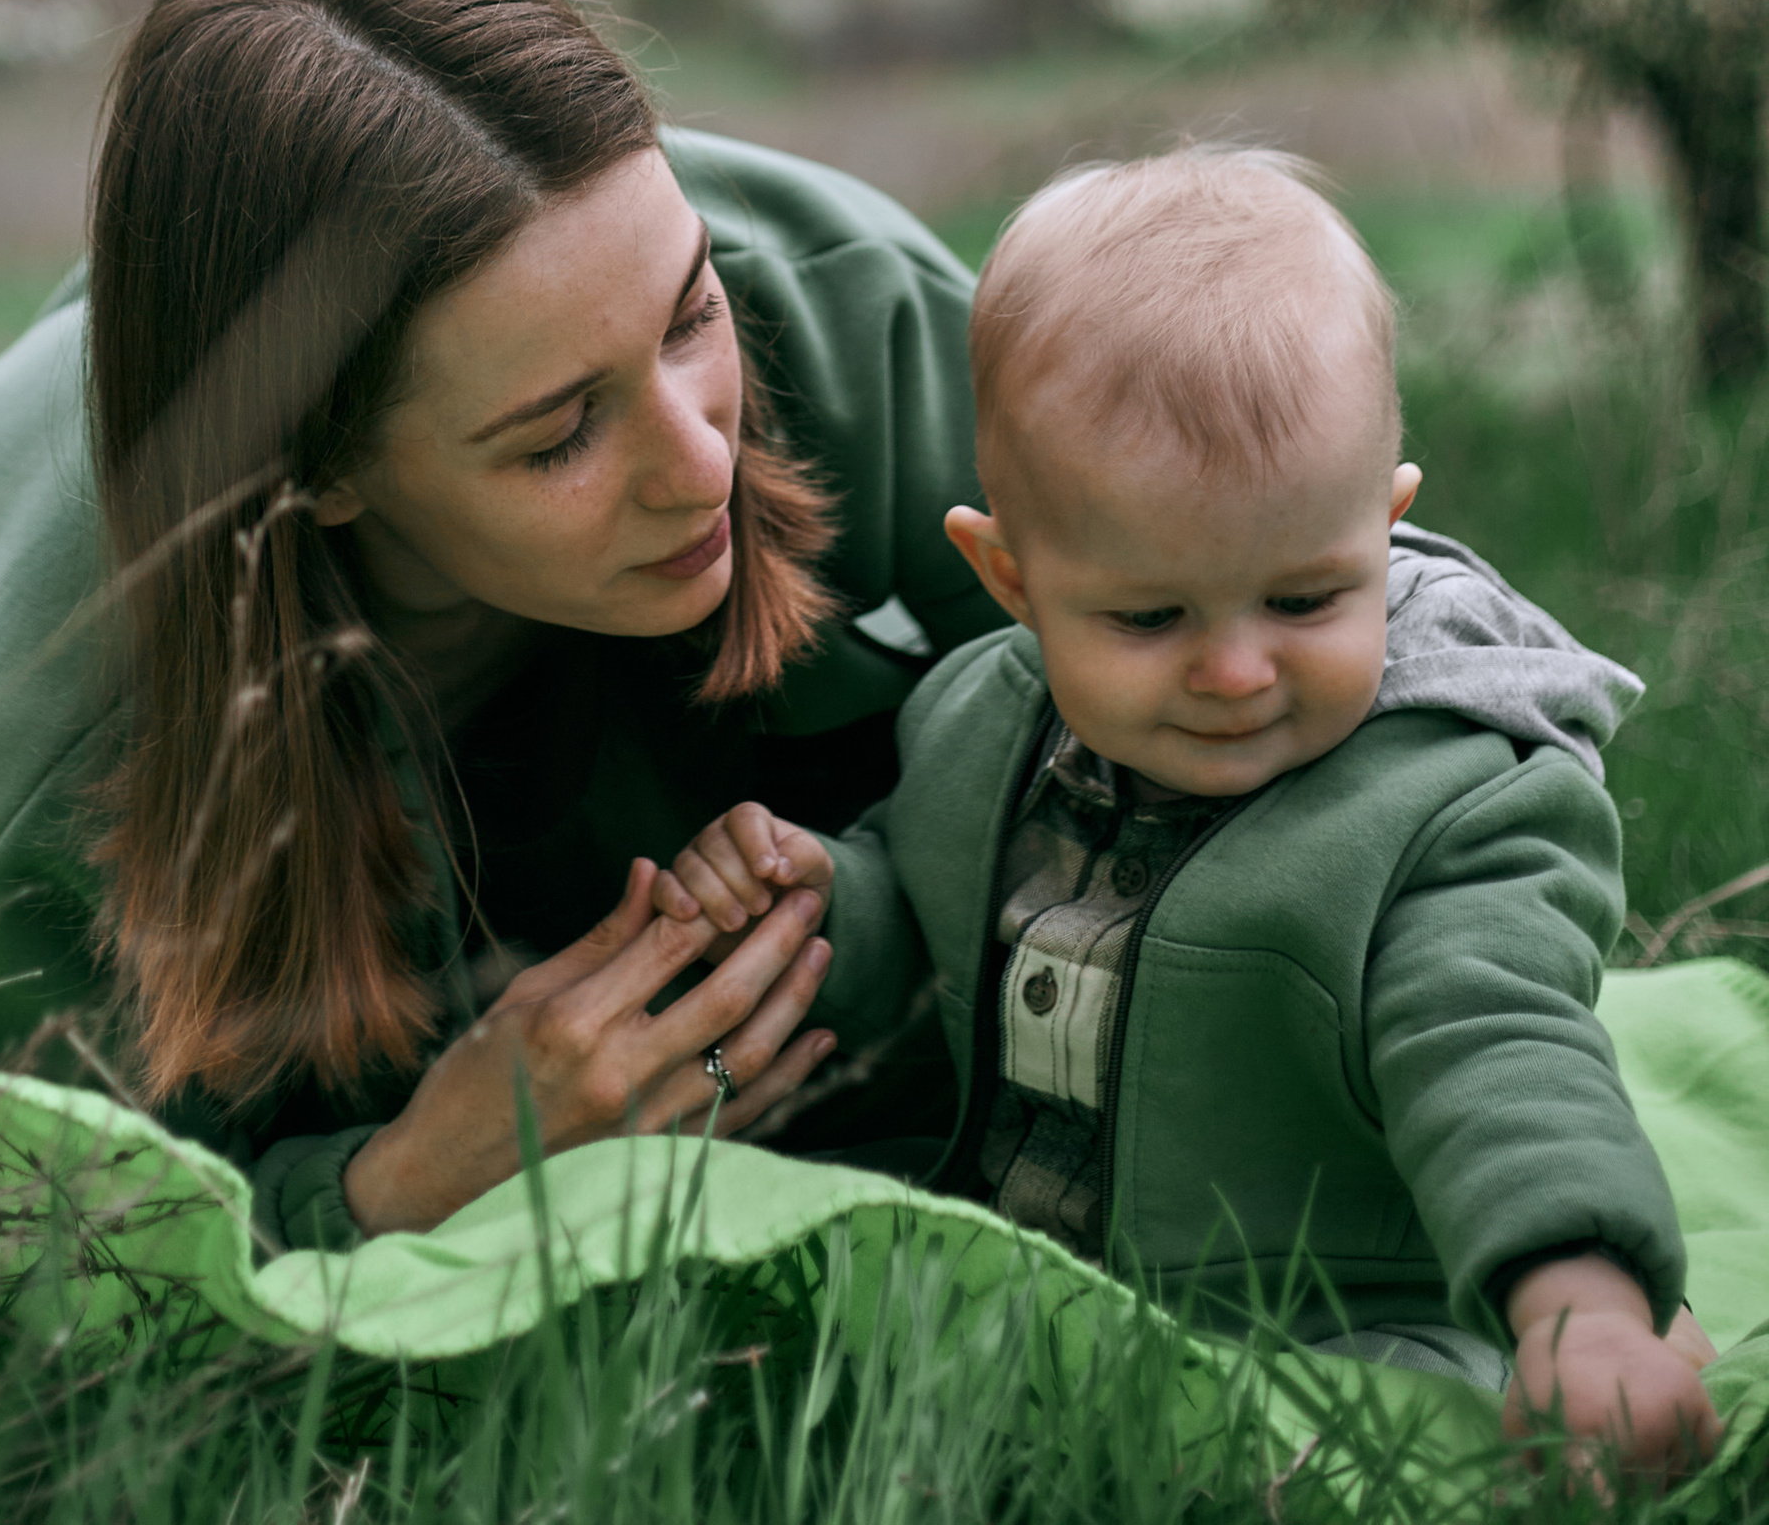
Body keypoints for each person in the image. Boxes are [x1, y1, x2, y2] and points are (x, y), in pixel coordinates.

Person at [0, 0, 1630, 1260]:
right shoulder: (74, 708)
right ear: (328, 473)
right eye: (558, 436)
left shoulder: (825, 308)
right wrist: (388, 1190)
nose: (702, 455)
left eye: (687, 315)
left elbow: (1295, 619)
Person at [667, 148, 1721, 1478]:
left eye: (1304, 599)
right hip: (1039, 1279)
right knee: (788, 1361)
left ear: (1382, 530)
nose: (1235, 671)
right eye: (1150, 616)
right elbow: (943, 930)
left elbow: (1500, 1052)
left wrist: (1580, 1300)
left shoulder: (1456, 803)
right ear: (1011, 575)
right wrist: (821, 900)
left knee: (1382, 1451)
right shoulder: (979, 720)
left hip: (1337, 1314)